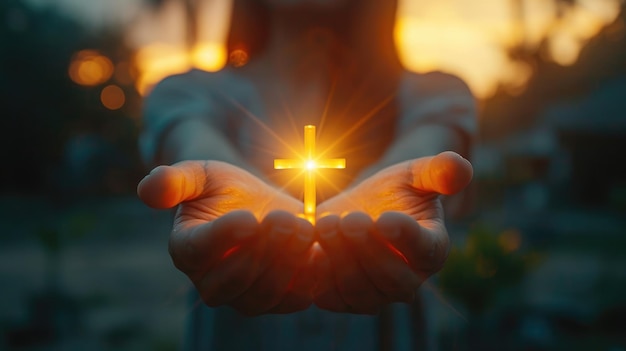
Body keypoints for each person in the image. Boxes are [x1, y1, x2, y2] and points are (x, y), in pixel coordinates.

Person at [137, 0, 476, 349]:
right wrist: (221, 186)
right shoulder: (185, 94)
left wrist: (394, 190)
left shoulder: (433, 95)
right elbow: (195, 145)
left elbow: (423, 154)